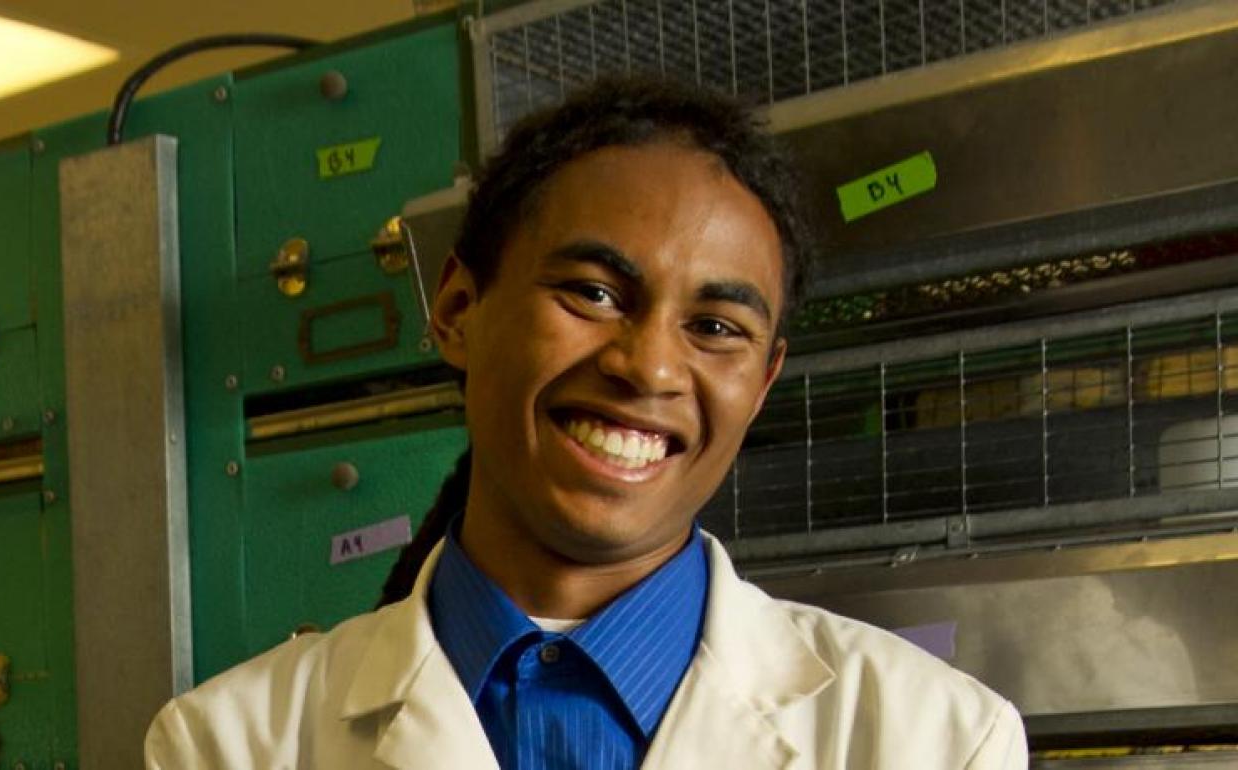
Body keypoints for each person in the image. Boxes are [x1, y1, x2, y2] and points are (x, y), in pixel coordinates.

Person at [143, 76, 1027, 769]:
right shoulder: (227, 748)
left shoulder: (936, 742)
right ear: (456, 308)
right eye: (593, 293)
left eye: (716, 328)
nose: (647, 366)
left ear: (761, 384)